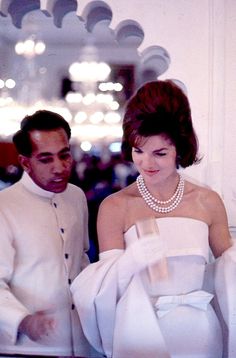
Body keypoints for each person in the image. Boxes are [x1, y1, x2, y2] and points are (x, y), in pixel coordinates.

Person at [71, 80, 236, 357]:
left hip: (201, 335)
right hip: (141, 335)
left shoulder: (207, 201)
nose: (147, 164)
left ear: (180, 148)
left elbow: (230, 273)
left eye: (160, 153)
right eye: (138, 151)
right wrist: (129, 262)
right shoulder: (116, 207)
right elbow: (103, 296)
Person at [0, 110, 100, 357]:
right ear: (25, 162)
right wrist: (23, 320)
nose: (59, 167)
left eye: (64, 155)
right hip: (24, 349)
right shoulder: (4, 206)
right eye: (45, 159)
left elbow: (82, 259)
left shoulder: (76, 196)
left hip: (80, 343)